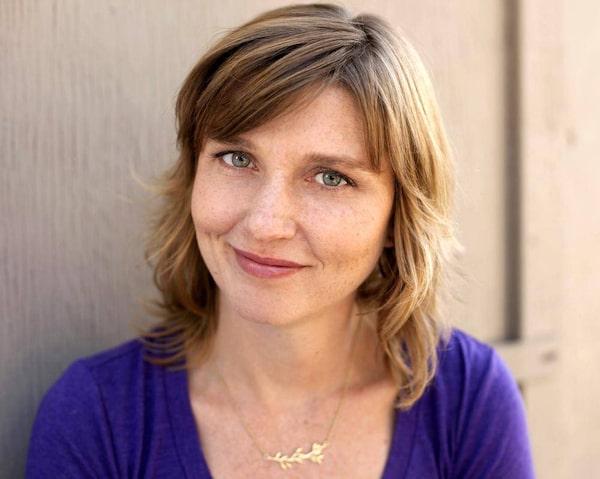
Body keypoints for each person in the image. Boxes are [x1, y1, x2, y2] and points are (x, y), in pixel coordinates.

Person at [26, 4, 535, 478]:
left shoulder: (465, 398)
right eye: (237, 159)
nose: (266, 224)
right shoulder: (97, 414)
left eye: (331, 178)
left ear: (399, 215)